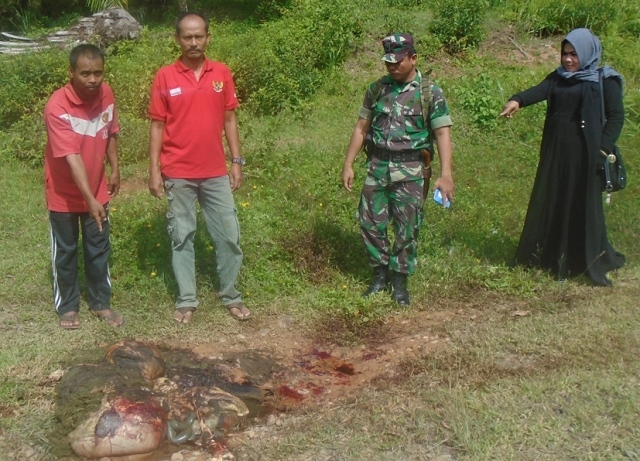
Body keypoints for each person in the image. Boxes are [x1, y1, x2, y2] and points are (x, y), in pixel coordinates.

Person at [499, 28, 625, 286]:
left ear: (587, 53)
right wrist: (517, 101)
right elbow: (540, 90)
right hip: (557, 153)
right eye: (565, 54)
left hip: (587, 155)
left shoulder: (604, 80)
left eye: (574, 55)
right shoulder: (559, 77)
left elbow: (616, 117)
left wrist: (603, 148)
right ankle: (551, 255)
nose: (568, 60)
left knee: (580, 202)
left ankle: (583, 259)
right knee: (554, 198)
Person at [148, 11, 250, 323]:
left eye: (199, 36)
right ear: (177, 39)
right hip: (177, 172)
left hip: (216, 171)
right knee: (182, 237)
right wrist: (154, 169)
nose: (193, 42)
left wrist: (236, 161)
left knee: (228, 235)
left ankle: (231, 295)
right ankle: (187, 300)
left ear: (208, 37)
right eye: (187, 37)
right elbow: (157, 125)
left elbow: (230, 118)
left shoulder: (222, 73)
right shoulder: (165, 76)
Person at [341, 33, 454, 306]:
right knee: (369, 222)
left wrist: (446, 174)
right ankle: (379, 275)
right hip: (378, 165)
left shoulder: (429, 92)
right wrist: (348, 163)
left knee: (407, 227)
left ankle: (400, 280)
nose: (392, 67)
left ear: (413, 58)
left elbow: (442, 133)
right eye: (388, 62)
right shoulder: (378, 89)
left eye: (398, 61)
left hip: (412, 169)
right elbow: (361, 127)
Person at [44, 44, 124, 329]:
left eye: (98, 73)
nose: (92, 80)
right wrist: (89, 200)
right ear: (71, 72)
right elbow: (72, 157)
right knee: (65, 251)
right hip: (64, 195)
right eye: (85, 73)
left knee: (98, 247)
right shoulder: (57, 106)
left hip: (98, 189)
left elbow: (110, 132)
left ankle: (100, 303)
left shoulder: (107, 94)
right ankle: (67, 307)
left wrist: (114, 168)